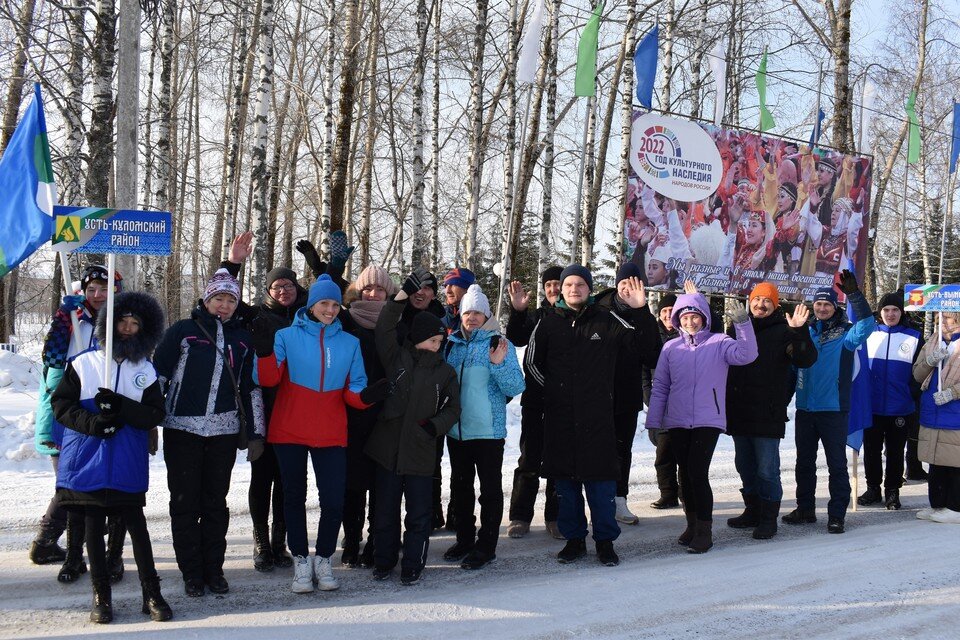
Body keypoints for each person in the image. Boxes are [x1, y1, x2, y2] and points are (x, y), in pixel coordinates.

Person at [254, 274, 388, 593]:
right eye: (324, 303)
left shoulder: (350, 343)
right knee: (293, 498)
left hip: (331, 432)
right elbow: (269, 380)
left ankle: (324, 558)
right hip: (289, 430)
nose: (330, 309)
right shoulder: (286, 336)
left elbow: (352, 390)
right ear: (312, 305)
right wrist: (263, 352)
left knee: (332, 500)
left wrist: (367, 396)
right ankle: (302, 561)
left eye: (334, 304)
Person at [51, 291, 172, 624]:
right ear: (110, 323)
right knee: (92, 528)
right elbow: (61, 407)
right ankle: (101, 596)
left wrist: (122, 407)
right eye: (123, 321)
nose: (128, 328)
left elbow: (154, 414)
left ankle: (152, 593)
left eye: (135, 324)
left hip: (126, 461)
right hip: (87, 460)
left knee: (137, 527)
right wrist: (94, 422)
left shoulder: (145, 370)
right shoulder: (84, 363)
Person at [526, 266, 660, 566]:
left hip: (599, 419)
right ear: (561, 289)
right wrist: (555, 395)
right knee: (567, 486)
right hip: (560, 420)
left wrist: (641, 311)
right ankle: (574, 540)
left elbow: (648, 351)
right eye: (569, 284)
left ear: (589, 289)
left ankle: (605, 542)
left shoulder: (607, 319)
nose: (575, 289)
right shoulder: (547, 323)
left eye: (581, 284)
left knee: (601, 486)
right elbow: (533, 364)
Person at [153, 268, 266, 597]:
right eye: (219, 298)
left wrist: (257, 433)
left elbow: (251, 388)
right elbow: (157, 376)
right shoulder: (183, 331)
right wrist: (148, 421)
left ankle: (214, 570)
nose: (225, 305)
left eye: (231, 299)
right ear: (207, 298)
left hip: (224, 433)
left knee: (215, 503)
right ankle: (191, 571)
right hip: (182, 431)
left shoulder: (243, 339)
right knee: (185, 502)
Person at [31, 264, 127, 584]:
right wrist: (62, 320)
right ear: (82, 292)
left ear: (116, 289)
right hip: (70, 415)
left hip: (110, 412)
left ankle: (105, 553)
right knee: (73, 484)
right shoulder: (73, 320)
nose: (98, 295)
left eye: (104, 288)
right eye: (91, 290)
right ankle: (52, 544)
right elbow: (53, 360)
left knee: (108, 482)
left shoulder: (123, 320)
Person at [365, 269, 461, 585]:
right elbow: (385, 326)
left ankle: (413, 564)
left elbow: (453, 408)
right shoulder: (398, 358)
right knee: (385, 513)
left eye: (440, 340)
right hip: (388, 449)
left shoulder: (445, 372)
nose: (438, 344)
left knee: (419, 516)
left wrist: (433, 428)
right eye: (434, 340)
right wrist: (401, 296)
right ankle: (383, 561)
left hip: (421, 451)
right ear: (420, 338)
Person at [646, 293, 758, 554]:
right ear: (677, 320)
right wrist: (654, 420)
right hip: (677, 419)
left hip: (708, 418)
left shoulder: (719, 342)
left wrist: (743, 324)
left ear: (704, 317)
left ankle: (704, 531)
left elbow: (747, 355)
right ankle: (691, 524)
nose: (690, 321)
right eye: (685, 317)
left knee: (697, 471)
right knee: (684, 474)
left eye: (695, 316)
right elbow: (660, 385)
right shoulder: (671, 348)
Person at [219, 232, 301, 572]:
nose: (283, 291)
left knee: (286, 479)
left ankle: (280, 543)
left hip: (296, 408)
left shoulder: (310, 315)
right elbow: (223, 297)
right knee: (262, 475)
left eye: (288, 286)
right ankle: (261, 543)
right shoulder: (256, 317)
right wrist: (232, 263)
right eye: (276, 287)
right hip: (262, 407)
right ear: (268, 292)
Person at [783, 270, 873, 534]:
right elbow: (791, 371)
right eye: (818, 304)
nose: (821, 308)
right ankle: (805, 509)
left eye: (827, 304)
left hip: (833, 409)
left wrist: (854, 295)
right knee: (804, 463)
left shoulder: (847, 334)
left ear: (835, 307)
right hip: (805, 409)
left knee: (836, 464)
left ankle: (836, 515)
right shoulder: (805, 332)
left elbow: (868, 325)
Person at [725, 283, 817, 540]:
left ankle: (768, 518)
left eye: (767, 300)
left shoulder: (785, 331)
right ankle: (752, 511)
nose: (760, 305)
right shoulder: (738, 327)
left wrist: (800, 332)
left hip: (768, 412)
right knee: (744, 465)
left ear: (775, 304)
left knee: (767, 469)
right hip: (740, 411)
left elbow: (805, 359)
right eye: (756, 300)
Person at [442, 284, 524, 570]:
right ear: (461, 315)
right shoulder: (452, 345)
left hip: (488, 432)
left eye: (477, 312)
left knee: (488, 491)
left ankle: (487, 545)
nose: (472, 317)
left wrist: (498, 364)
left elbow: (516, 385)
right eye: (467, 312)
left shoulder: (498, 343)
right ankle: (464, 539)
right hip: (457, 432)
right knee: (460, 489)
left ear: (487, 314)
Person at [336, 264, 399, 568]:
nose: (373, 294)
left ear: (389, 293)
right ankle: (351, 540)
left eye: (380, 289)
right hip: (351, 412)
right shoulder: (346, 320)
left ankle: (377, 539)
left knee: (381, 483)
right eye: (368, 289)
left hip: (387, 414)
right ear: (358, 291)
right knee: (352, 483)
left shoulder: (398, 322)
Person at [595, 262, 659, 525]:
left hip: (626, 396)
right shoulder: (597, 309)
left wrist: (641, 310)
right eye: (624, 283)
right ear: (617, 283)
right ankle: (597, 502)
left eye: (634, 283)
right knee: (594, 450)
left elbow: (652, 355)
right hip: (596, 396)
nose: (628, 288)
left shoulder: (642, 315)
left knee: (622, 450)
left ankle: (619, 499)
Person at [504, 265, 563, 539]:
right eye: (549, 284)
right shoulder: (539, 316)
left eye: (557, 283)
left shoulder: (577, 317)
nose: (553, 289)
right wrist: (517, 311)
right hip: (536, 400)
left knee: (559, 461)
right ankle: (520, 516)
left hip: (565, 403)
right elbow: (517, 338)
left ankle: (556, 517)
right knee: (529, 459)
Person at [861, 292, 924, 510]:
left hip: (900, 407)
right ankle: (873, 488)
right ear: (879, 313)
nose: (890, 314)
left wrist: (910, 393)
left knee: (896, 452)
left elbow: (921, 371)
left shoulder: (913, 336)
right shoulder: (868, 333)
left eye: (895, 310)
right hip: (872, 406)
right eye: (886, 310)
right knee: (871, 450)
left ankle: (892, 491)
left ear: (901, 312)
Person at [913, 312, 960, 523]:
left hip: (955, 412)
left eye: (949, 319)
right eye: (941, 319)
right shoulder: (932, 342)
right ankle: (938, 504)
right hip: (932, 410)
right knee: (935, 460)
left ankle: (955, 507)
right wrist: (931, 361)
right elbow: (917, 374)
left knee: (954, 461)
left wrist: (953, 392)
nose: (944, 324)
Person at [642, 293, 681, 509]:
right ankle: (668, 494)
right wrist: (650, 398)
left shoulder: (687, 335)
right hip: (661, 406)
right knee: (663, 454)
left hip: (684, 406)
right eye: (664, 311)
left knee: (684, 455)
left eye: (672, 311)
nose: (668, 315)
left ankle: (686, 494)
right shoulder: (652, 337)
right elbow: (644, 374)